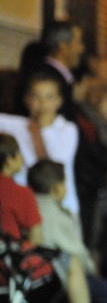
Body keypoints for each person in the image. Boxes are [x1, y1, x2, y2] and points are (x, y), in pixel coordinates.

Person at [29, 159, 107, 303]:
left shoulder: (29, 206)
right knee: (104, 291)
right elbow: (76, 251)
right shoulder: (58, 215)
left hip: (35, 278)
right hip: (58, 278)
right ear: (56, 188)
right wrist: (91, 268)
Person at [0, 70, 81, 216]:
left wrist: (43, 130)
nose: (42, 103)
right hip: (26, 206)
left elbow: (54, 163)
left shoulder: (67, 129)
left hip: (61, 206)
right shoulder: (18, 125)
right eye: (35, 96)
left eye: (49, 97)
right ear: (26, 100)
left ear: (59, 101)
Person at [0, 133, 42, 246]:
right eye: (19, 154)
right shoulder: (20, 193)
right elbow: (35, 237)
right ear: (9, 160)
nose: (22, 159)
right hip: (9, 254)